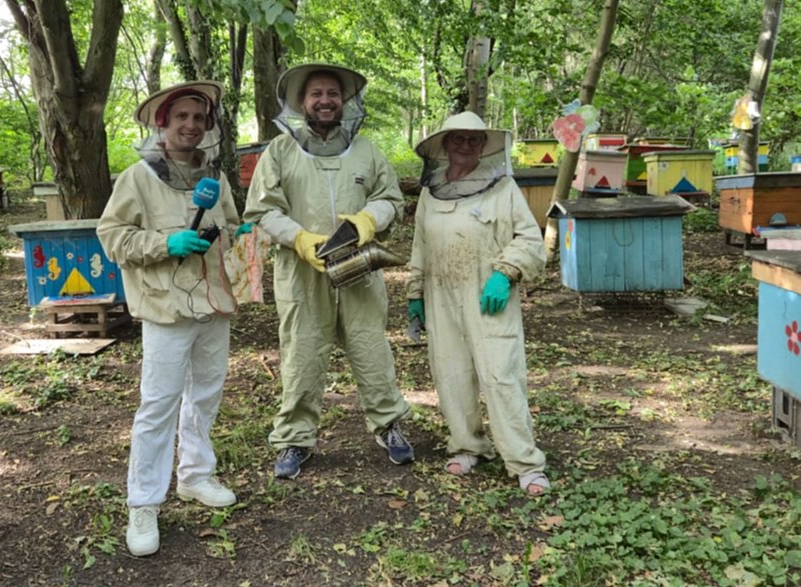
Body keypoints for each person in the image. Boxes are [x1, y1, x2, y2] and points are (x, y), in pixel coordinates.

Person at [96, 80, 248, 556]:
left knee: (205, 394)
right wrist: (166, 244)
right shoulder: (137, 177)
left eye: (198, 119)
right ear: (162, 124)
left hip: (211, 303)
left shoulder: (215, 177)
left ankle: (196, 475)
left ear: (208, 128)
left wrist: (243, 232)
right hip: (165, 308)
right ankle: (143, 502)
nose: (190, 125)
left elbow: (229, 225)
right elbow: (112, 236)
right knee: (158, 404)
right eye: (180, 117)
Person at [244, 63, 414, 480]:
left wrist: (368, 220)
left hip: (360, 269)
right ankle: (295, 440)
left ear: (345, 101)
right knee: (301, 355)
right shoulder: (280, 152)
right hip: (301, 273)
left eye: (332, 94)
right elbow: (262, 210)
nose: (325, 100)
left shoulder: (367, 151)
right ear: (302, 102)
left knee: (372, 349)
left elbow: (392, 199)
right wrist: (300, 238)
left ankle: (389, 425)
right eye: (316, 93)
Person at [405, 111, 551, 496]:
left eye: (474, 139)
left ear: (484, 145)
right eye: (458, 139)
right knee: (451, 374)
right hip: (441, 296)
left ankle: (525, 463)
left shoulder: (503, 189)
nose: (465, 145)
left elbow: (530, 240)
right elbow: (420, 245)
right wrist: (415, 293)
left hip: (489, 296)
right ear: (445, 144)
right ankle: (468, 445)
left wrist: (506, 272)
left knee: (501, 376)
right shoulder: (429, 192)